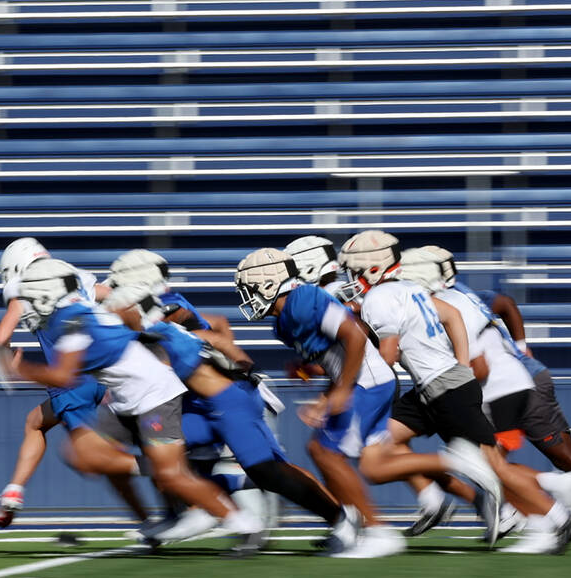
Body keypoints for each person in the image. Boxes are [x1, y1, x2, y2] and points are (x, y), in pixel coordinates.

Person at [0, 258, 266, 554]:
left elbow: (64, 375)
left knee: (171, 475)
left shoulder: (72, 320)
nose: (28, 307)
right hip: (127, 399)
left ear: (47, 294)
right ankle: (166, 470)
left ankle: (242, 520)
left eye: (31, 299)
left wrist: (18, 370)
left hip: (154, 397)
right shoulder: (76, 313)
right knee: (82, 454)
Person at [423, 246, 571, 551]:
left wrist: (518, 348)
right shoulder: (461, 295)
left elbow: (498, 321)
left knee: (497, 462)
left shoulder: (452, 301)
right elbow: (505, 305)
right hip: (516, 381)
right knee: (554, 459)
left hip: (515, 383)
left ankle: (547, 515)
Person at [105, 282, 368, 555]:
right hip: (207, 407)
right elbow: (216, 339)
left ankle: (340, 518)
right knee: (165, 451)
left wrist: (247, 375)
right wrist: (245, 366)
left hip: (228, 403)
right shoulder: (161, 331)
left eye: (115, 312)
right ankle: (197, 509)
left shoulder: (154, 335)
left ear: (132, 310)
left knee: (268, 471)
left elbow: (161, 373)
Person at [337, 229, 534, 549]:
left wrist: (354, 381)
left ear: (373, 267)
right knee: (377, 449)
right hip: (436, 386)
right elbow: (451, 316)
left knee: (494, 465)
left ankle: (553, 515)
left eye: (354, 270)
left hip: (445, 388)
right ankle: (436, 493)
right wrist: (461, 364)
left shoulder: (378, 297)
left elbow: (387, 353)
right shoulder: (408, 289)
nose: (350, 276)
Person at [401, 247, 571, 553]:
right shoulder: (458, 296)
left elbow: (478, 365)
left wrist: (444, 383)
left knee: (487, 464)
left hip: (497, 388)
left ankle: (550, 515)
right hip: (507, 384)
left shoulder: (446, 303)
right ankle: (548, 506)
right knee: (489, 463)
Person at [236, 246, 406, 557]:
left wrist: (341, 390)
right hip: (359, 382)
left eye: (249, 288)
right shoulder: (283, 321)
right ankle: (356, 526)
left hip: (367, 382)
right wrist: (327, 395)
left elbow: (354, 336)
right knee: (327, 452)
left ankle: (376, 531)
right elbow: (335, 360)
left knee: (327, 454)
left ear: (269, 282)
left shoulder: (304, 300)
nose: (246, 297)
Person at [0, 238, 147, 528]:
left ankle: (157, 468)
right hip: (104, 375)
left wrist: (8, 360)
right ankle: (14, 490)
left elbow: (2, 336)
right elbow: (118, 297)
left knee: (92, 458)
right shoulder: (73, 276)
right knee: (35, 422)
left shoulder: (25, 285)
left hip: (70, 380)